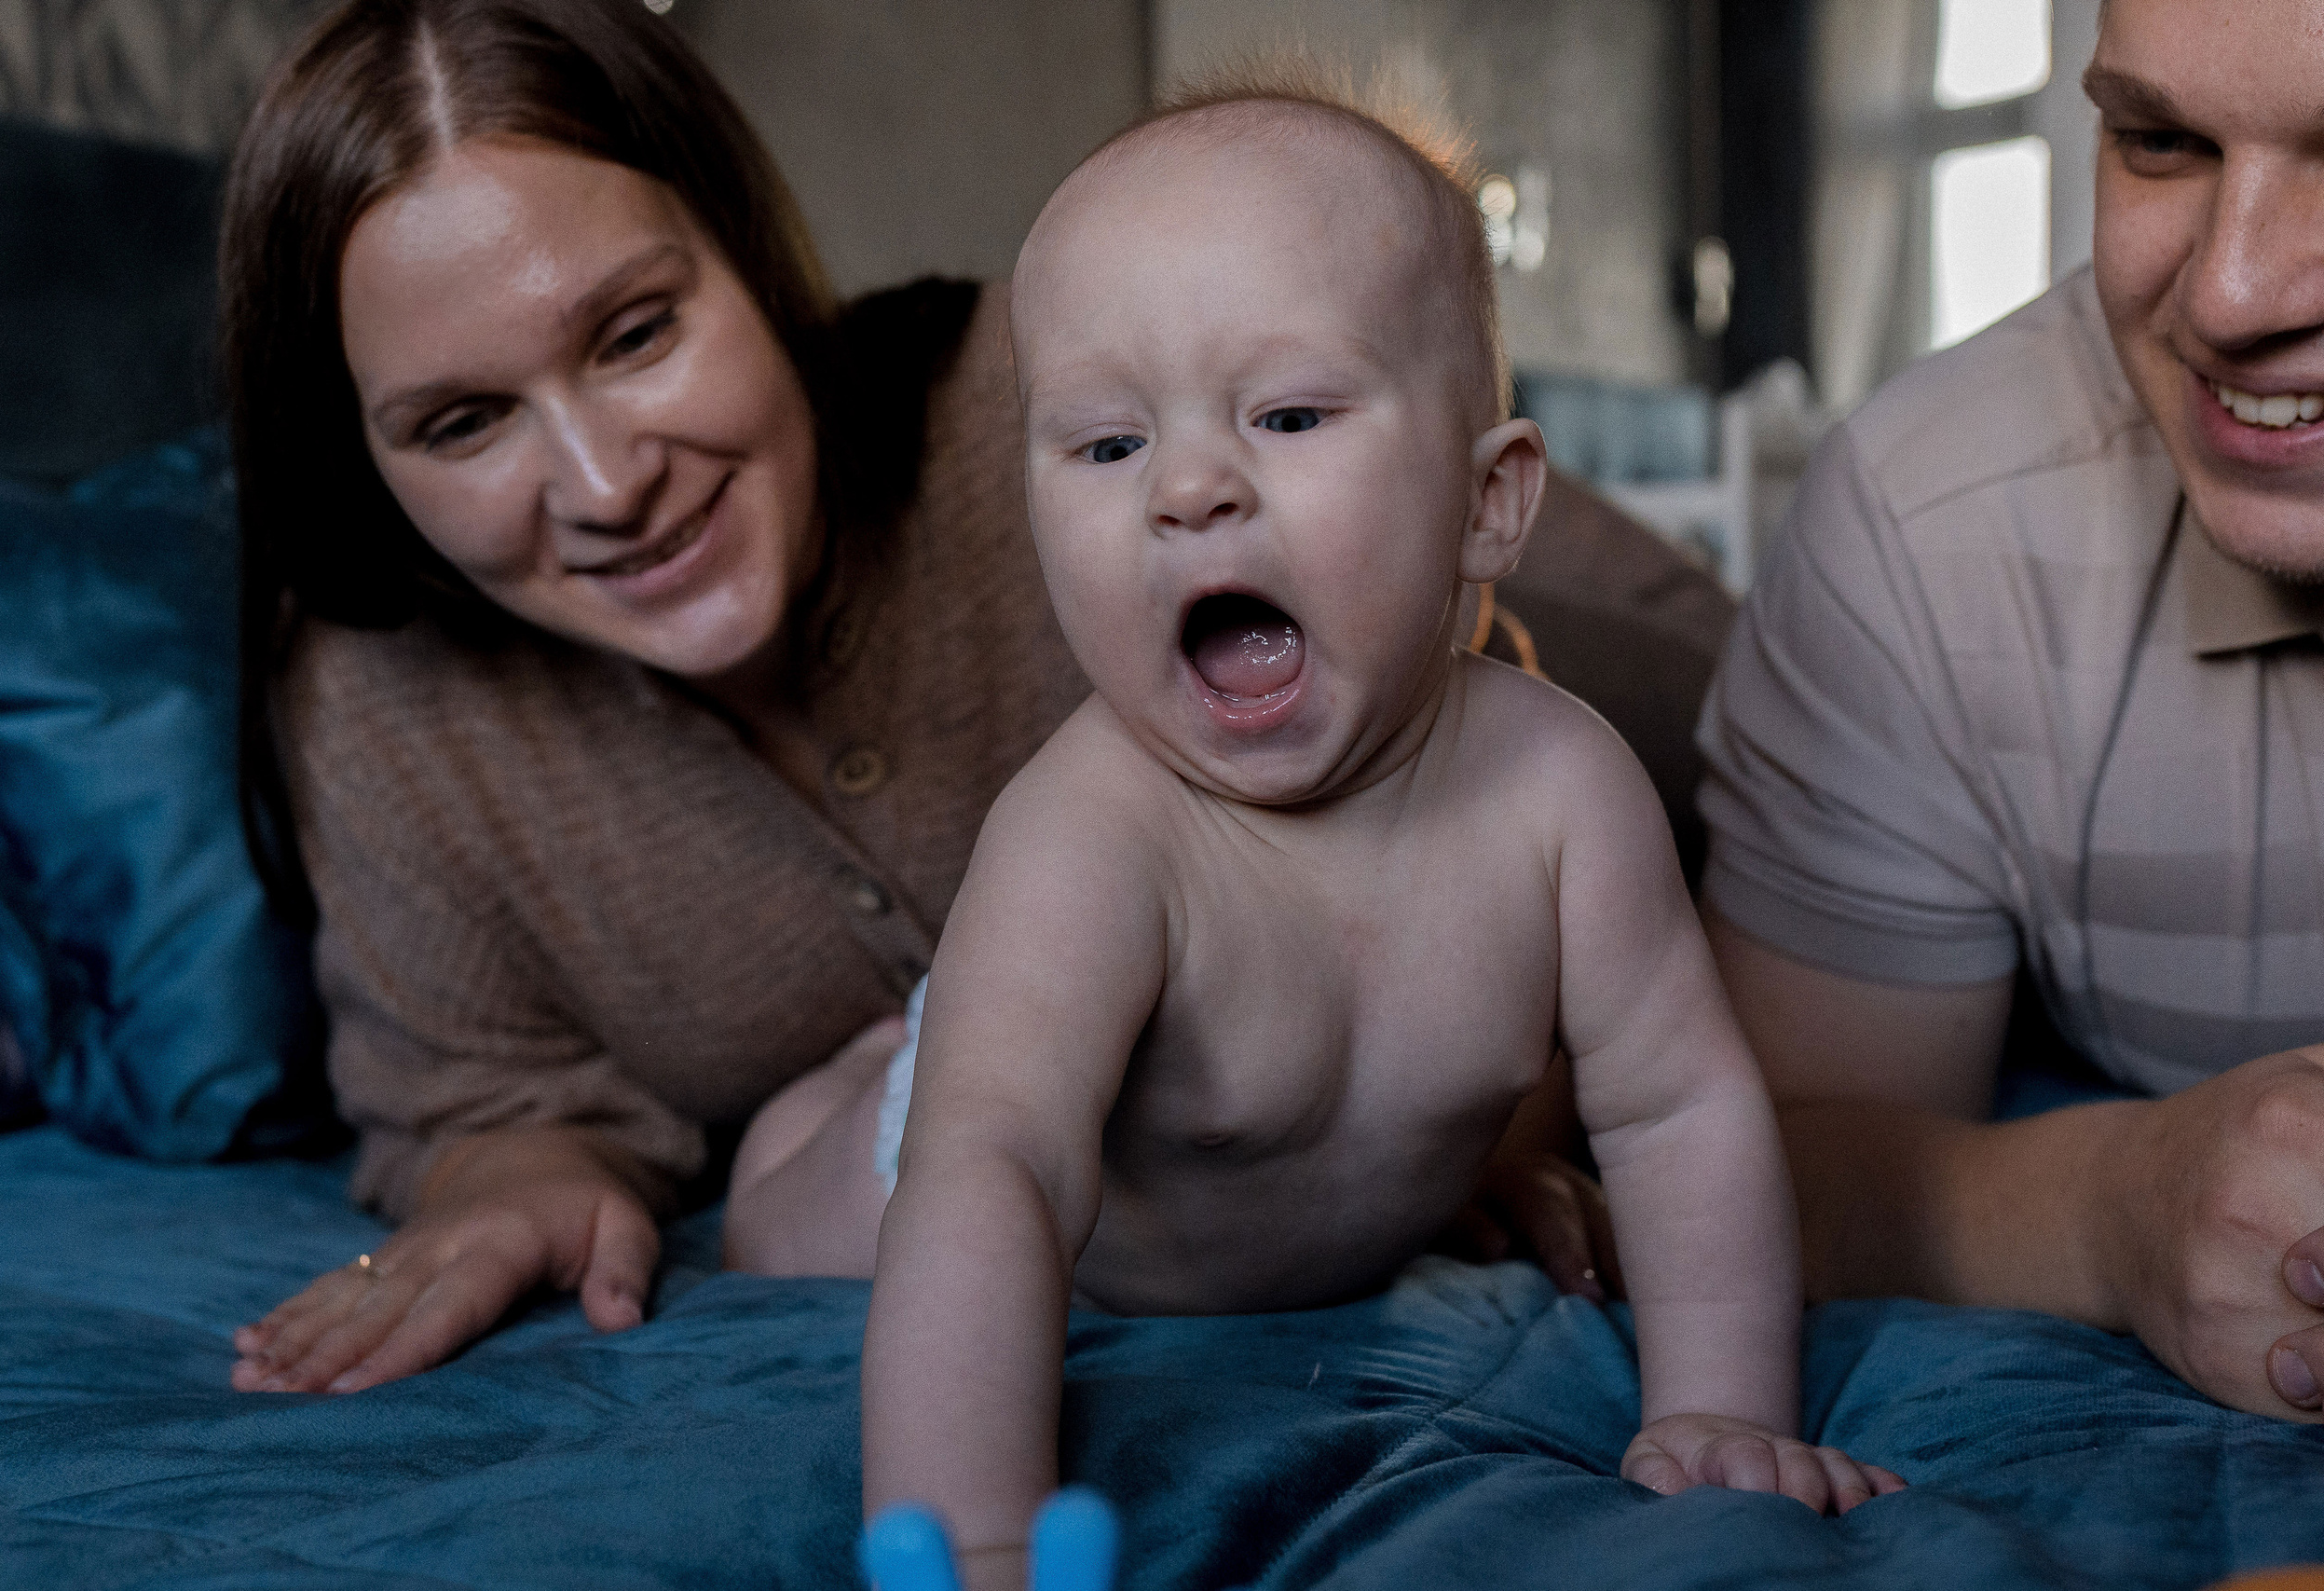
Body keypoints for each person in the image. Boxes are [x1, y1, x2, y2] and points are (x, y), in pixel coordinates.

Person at [216, 0, 1731, 1395]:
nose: (609, 485)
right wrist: (521, 1182)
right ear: (362, 457)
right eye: (463, 422)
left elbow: (1555, 731)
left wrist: (1478, 1125)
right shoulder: (385, 701)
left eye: (638, 333)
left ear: (750, 259)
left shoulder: (1100, 409)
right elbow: (484, 1095)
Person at [773, 78, 1900, 1582]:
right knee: (808, 1201)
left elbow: (1677, 1110)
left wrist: (1718, 1411)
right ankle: (857, 1076)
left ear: (1489, 504)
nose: (1187, 488)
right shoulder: (1090, 833)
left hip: (1318, 1206)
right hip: (951, 1146)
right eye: (1105, 446)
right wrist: (975, 1529)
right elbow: (996, 1172)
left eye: (1289, 414)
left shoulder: (1565, 791)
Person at [1699, 0, 2324, 1423]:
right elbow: (1766, 1158)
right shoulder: (1930, 520)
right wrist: (2113, 1208)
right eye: (2157, 141)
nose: (2226, 297)